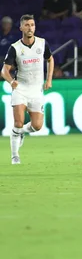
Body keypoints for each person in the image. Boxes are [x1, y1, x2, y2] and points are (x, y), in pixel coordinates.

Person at [1, 15, 54, 165]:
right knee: (18, 122)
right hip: (21, 89)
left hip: (36, 90)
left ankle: (20, 133)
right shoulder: (15, 48)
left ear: (34, 27)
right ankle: (14, 156)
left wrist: (49, 79)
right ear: (21, 28)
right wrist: (11, 81)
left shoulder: (42, 44)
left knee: (37, 126)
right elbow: (4, 71)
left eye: (32, 25)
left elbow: (50, 59)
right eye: (27, 25)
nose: (30, 28)